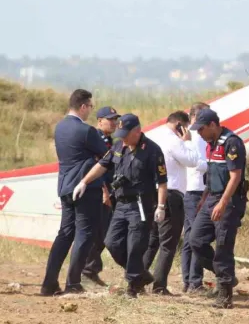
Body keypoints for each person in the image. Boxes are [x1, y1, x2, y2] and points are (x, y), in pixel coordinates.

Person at [75, 113, 168, 298]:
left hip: (140, 206)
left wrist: (161, 206)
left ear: (137, 131)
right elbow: (102, 165)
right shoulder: (119, 146)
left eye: (126, 134)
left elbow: (162, 181)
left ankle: (133, 287)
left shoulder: (152, 150)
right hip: (121, 205)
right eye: (121, 134)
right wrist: (84, 181)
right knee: (111, 242)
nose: (123, 138)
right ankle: (140, 275)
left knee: (134, 246)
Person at [40, 89, 109, 296]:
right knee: (85, 234)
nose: (90, 111)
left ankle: (49, 282)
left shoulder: (60, 127)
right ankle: (73, 282)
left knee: (65, 234)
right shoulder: (87, 131)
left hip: (65, 186)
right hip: (85, 188)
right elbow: (107, 156)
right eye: (90, 107)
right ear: (83, 106)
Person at [189, 108, 248, 308]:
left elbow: (235, 177)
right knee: (195, 240)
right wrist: (203, 200)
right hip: (210, 198)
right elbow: (212, 176)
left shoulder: (232, 142)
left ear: (213, 125)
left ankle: (225, 296)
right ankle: (226, 276)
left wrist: (222, 202)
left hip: (228, 200)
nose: (199, 133)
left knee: (223, 246)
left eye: (201, 129)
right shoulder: (210, 144)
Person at [143, 110, 206, 295]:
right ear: (180, 125)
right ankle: (159, 285)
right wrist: (187, 141)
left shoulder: (155, 136)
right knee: (168, 243)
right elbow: (193, 160)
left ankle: (136, 279)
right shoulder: (174, 141)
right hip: (171, 194)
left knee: (152, 240)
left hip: (153, 192)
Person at [82, 106, 121, 287]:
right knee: (98, 233)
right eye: (110, 119)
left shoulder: (110, 141)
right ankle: (88, 271)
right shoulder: (97, 139)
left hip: (109, 191)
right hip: (99, 191)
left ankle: (90, 270)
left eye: (115, 119)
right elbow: (97, 168)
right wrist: (105, 191)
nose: (113, 122)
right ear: (99, 121)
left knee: (103, 233)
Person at [181, 102, 211, 294]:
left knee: (189, 238)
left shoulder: (187, 139)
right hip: (197, 191)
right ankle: (195, 281)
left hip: (188, 190)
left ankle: (188, 280)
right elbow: (202, 164)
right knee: (198, 237)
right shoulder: (198, 139)